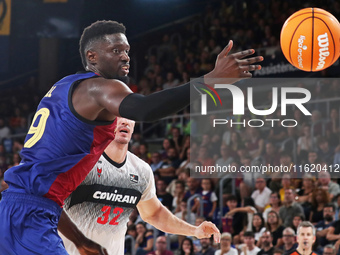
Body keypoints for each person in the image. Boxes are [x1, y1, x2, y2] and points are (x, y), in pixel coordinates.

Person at [0, 20, 263, 254]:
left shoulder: (63, 87)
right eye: (116, 51)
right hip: (33, 213)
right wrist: (210, 81)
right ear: (92, 57)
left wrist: (81, 241)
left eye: (127, 51)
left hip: (19, 207)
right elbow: (145, 108)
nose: (125, 57)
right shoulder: (100, 87)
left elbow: (50, 196)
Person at [59, 118, 220, 255]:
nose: (125, 121)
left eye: (130, 117)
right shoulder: (80, 160)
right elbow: (47, 205)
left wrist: (194, 231)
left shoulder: (141, 170)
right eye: (118, 116)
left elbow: (155, 214)